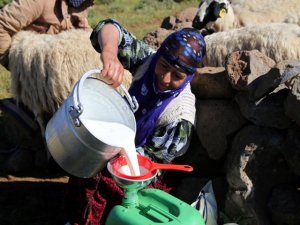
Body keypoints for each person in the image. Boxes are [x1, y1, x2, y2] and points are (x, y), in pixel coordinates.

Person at [64, 18, 206, 225]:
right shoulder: (148, 61)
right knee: (86, 159)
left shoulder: (179, 117)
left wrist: (108, 152)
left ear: (189, 77)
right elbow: (109, 28)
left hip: (146, 173)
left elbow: (145, 165)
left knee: (97, 175)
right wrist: (110, 54)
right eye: (164, 65)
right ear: (159, 56)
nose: (165, 78)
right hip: (120, 146)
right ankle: (77, 218)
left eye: (177, 75)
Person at [0, 0, 94, 69]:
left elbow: (83, 29)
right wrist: (13, 64)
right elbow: (2, 24)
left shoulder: (82, 2)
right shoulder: (38, 2)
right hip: (32, 69)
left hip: (54, 71)